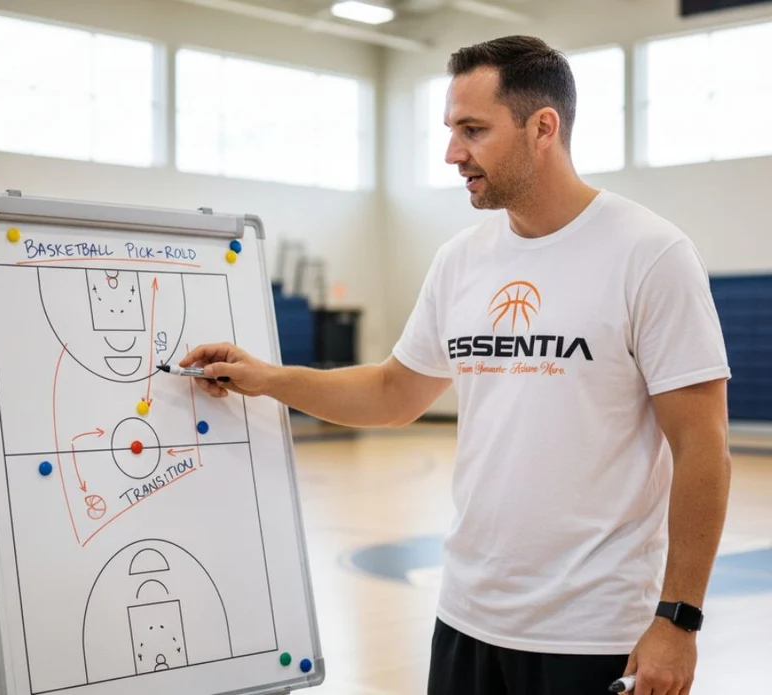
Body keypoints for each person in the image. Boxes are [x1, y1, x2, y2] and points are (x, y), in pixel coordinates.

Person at [181, 35, 732, 695]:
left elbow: (702, 446)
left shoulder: (650, 253)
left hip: (594, 634)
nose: (452, 153)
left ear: (542, 129)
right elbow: (392, 391)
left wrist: (679, 617)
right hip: (465, 618)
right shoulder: (460, 260)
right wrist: (268, 378)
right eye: (450, 130)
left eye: (473, 130)